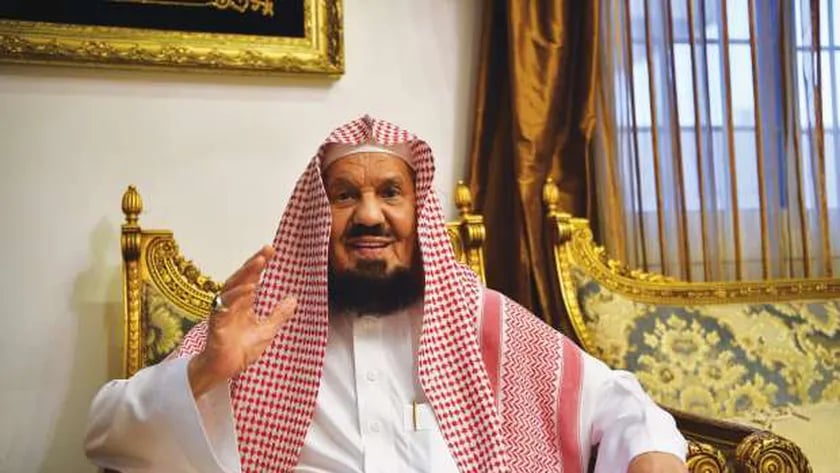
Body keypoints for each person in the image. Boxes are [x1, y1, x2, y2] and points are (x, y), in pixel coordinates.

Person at [85, 116, 688, 473]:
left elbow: (618, 403)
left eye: (390, 193)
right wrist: (207, 371)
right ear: (317, 216)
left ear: (417, 213)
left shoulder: (480, 320)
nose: (369, 215)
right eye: (345, 195)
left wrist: (651, 455)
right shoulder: (262, 324)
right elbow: (106, 433)